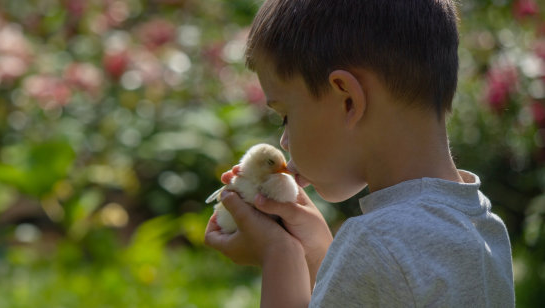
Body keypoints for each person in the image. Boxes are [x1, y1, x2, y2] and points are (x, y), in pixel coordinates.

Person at [203, 0, 515, 307]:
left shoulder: (376, 244)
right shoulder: (484, 228)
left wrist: (279, 255)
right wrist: (316, 249)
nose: (284, 141)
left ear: (348, 100)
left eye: (286, 116)